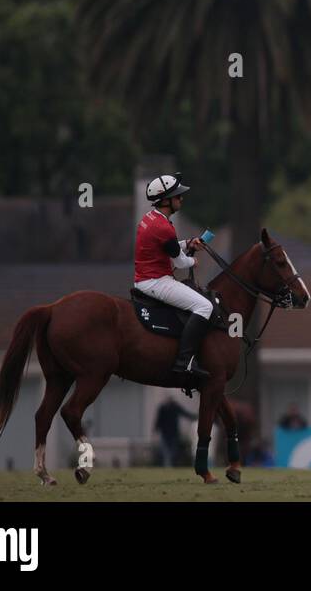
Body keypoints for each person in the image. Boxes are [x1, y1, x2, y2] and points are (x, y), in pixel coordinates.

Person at [133, 173, 212, 380]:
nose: (181, 199)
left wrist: (188, 243)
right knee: (205, 306)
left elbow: (167, 247)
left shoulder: (151, 219)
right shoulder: (163, 227)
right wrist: (193, 261)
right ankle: (184, 362)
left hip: (146, 278)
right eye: (178, 196)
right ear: (166, 200)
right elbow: (180, 263)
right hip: (156, 281)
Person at [153, 396, 197, 467]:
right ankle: (168, 465)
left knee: (173, 451)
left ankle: (169, 465)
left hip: (173, 434)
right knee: (166, 452)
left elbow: (185, 413)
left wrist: (195, 417)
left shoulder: (175, 407)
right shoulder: (162, 408)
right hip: (165, 434)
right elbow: (158, 420)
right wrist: (155, 429)